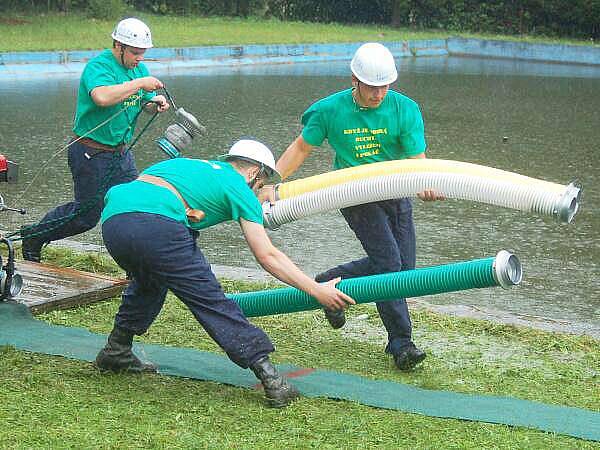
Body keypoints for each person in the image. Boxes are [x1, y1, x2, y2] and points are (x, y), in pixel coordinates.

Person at [94, 139, 355, 408]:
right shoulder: (238, 187)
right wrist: (316, 290)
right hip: (156, 224)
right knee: (210, 299)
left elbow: (151, 192)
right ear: (254, 172)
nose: (259, 192)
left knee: (150, 280)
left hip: (114, 220)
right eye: (261, 185)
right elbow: (268, 256)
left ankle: (117, 350)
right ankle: (271, 378)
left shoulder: (185, 166)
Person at [267, 43, 443, 371]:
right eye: (371, 87)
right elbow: (301, 148)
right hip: (353, 195)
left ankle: (329, 282)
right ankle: (401, 344)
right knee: (390, 265)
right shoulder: (330, 110)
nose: (378, 94)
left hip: (396, 191)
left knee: (404, 269)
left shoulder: (405, 109)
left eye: (384, 87)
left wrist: (427, 183)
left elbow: (417, 160)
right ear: (354, 79)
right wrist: (270, 185)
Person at [21, 17, 170, 262]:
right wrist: (140, 84)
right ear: (118, 46)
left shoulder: (138, 70)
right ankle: (34, 236)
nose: (139, 59)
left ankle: (136, 267)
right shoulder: (99, 67)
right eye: (135, 53)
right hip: (90, 151)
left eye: (143, 53)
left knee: (132, 206)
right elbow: (102, 97)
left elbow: (143, 103)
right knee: (85, 216)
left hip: (121, 154)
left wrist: (155, 104)